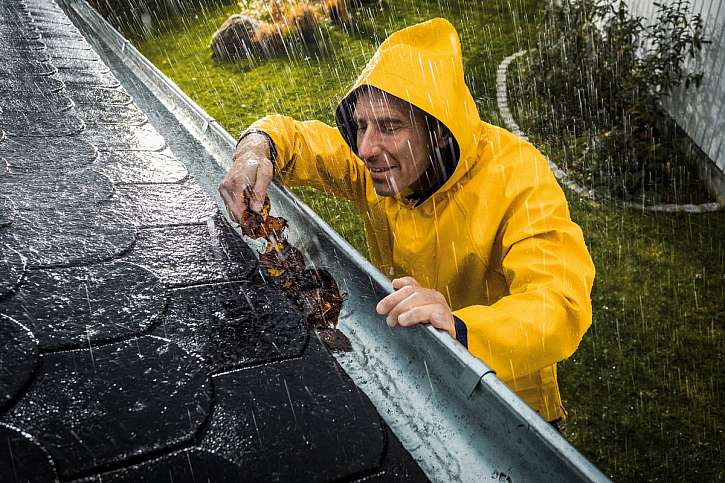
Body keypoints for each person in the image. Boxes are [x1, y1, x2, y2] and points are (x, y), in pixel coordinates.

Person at [219, 18, 595, 423]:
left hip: (504, 401)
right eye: (361, 125)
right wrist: (256, 148)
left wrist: (460, 327)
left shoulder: (515, 175)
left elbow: (560, 303)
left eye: (390, 126)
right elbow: (302, 141)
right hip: (416, 375)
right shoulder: (380, 165)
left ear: (439, 132)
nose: (365, 147)